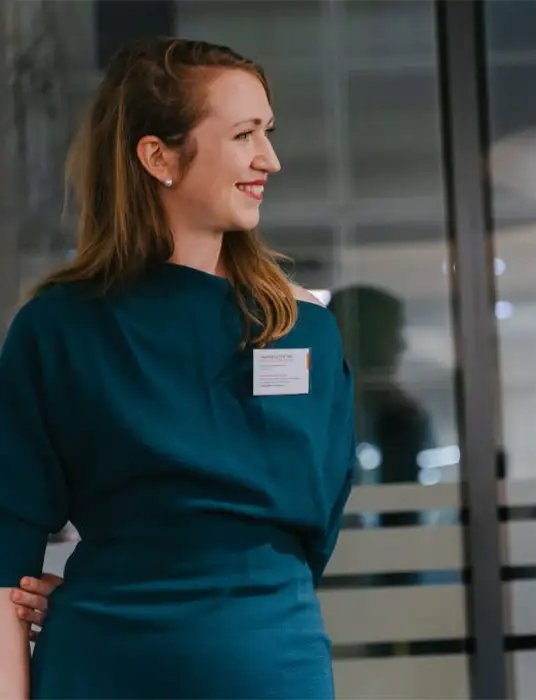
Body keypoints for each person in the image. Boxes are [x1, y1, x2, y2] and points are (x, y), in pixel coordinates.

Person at [0, 37, 355, 699]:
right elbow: (7, 547)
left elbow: (314, 533)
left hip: (269, 667)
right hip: (104, 666)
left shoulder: (305, 331)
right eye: (245, 134)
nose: (269, 160)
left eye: (268, 133)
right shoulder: (55, 331)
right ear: (158, 156)